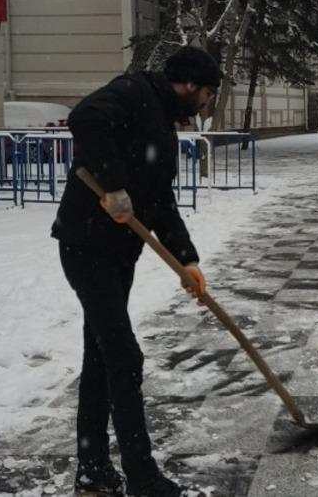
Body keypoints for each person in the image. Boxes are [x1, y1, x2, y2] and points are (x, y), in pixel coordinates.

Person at [51, 48, 219, 497]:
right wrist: (113, 184)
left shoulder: (161, 121)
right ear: (190, 84)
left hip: (117, 253)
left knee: (102, 357)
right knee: (123, 357)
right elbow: (85, 118)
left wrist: (187, 260)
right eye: (207, 93)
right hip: (87, 247)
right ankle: (142, 478)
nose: (206, 102)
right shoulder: (134, 92)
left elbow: (161, 200)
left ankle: (93, 469)